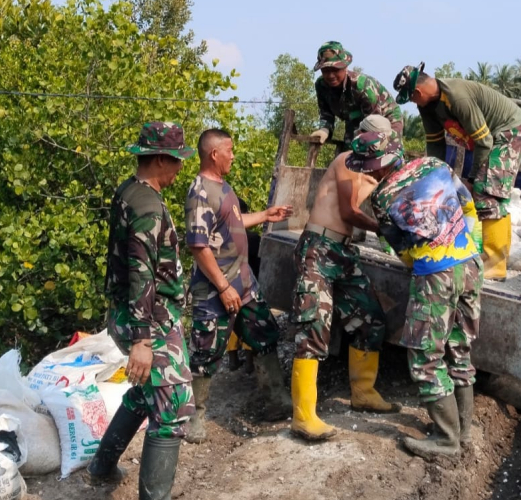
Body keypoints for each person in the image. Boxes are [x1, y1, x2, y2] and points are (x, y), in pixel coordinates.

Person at [348, 128, 483, 457]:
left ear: (377, 166)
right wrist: (469, 248)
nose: (366, 172)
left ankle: (447, 439)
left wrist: (428, 258)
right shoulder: (435, 165)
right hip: (471, 265)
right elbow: (468, 207)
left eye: (366, 167)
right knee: (459, 350)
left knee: (425, 358)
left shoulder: (381, 198)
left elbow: (404, 253)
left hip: (435, 275)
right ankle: (463, 432)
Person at [87, 122, 195, 500]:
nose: (180, 169)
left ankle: (101, 467)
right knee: (172, 409)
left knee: (148, 392)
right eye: (178, 161)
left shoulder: (129, 191)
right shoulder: (148, 206)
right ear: (162, 159)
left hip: (132, 311)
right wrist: (143, 340)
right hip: (148, 318)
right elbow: (140, 272)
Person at [290, 115, 403, 442]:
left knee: (370, 318)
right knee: (313, 324)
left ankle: (363, 392)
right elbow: (350, 210)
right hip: (318, 247)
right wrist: (383, 229)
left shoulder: (374, 167)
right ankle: (303, 416)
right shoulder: (346, 161)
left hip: (342, 251)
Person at [184, 129, 293, 444]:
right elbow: (198, 245)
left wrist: (265, 215)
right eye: (229, 150)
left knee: (264, 335)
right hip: (216, 291)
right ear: (214, 154)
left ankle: (277, 403)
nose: (234, 155)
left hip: (244, 284)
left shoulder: (223, 187)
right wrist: (222, 287)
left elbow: (233, 221)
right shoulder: (200, 191)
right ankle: (194, 419)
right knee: (205, 354)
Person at [393, 62, 521, 280]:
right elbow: (435, 143)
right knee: (462, 192)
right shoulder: (427, 106)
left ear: (417, 92)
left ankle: (494, 266)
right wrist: (434, 178)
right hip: (489, 139)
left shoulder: (457, 97)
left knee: (487, 193)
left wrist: (471, 177)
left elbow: (484, 141)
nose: (413, 103)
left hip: (509, 131)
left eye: (411, 98)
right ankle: (479, 255)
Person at [311, 41, 404, 149]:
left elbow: (375, 122)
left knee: (383, 149)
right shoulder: (321, 85)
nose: (331, 75)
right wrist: (324, 129)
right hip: (354, 119)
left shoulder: (362, 86)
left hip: (385, 118)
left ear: (345, 67)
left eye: (335, 70)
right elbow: (326, 113)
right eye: (326, 71)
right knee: (349, 152)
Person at [226, 197, 259, 374]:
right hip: (247, 284)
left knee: (233, 322)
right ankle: (249, 361)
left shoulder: (222, 238)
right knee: (249, 322)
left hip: (228, 285)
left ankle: (232, 358)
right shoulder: (253, 239)